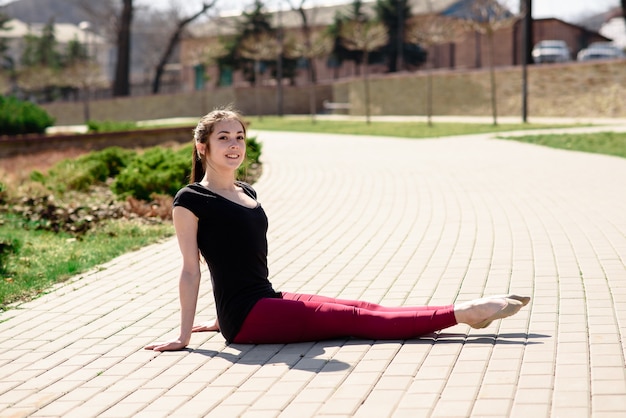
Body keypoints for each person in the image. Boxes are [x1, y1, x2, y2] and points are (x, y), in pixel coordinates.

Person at [144, 108, 530, 351]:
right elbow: (191, 269)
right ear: (202, 146)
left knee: (361, 307)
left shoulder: (247, 191)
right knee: (356, 322)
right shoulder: (191, 200)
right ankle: (463, 313)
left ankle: (463, 312)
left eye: (239, 137)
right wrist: (185, 336)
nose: (234, 145)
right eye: (223, 138)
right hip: (247, 319)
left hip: (263, 300)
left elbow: (238, 261)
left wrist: (217, 315)